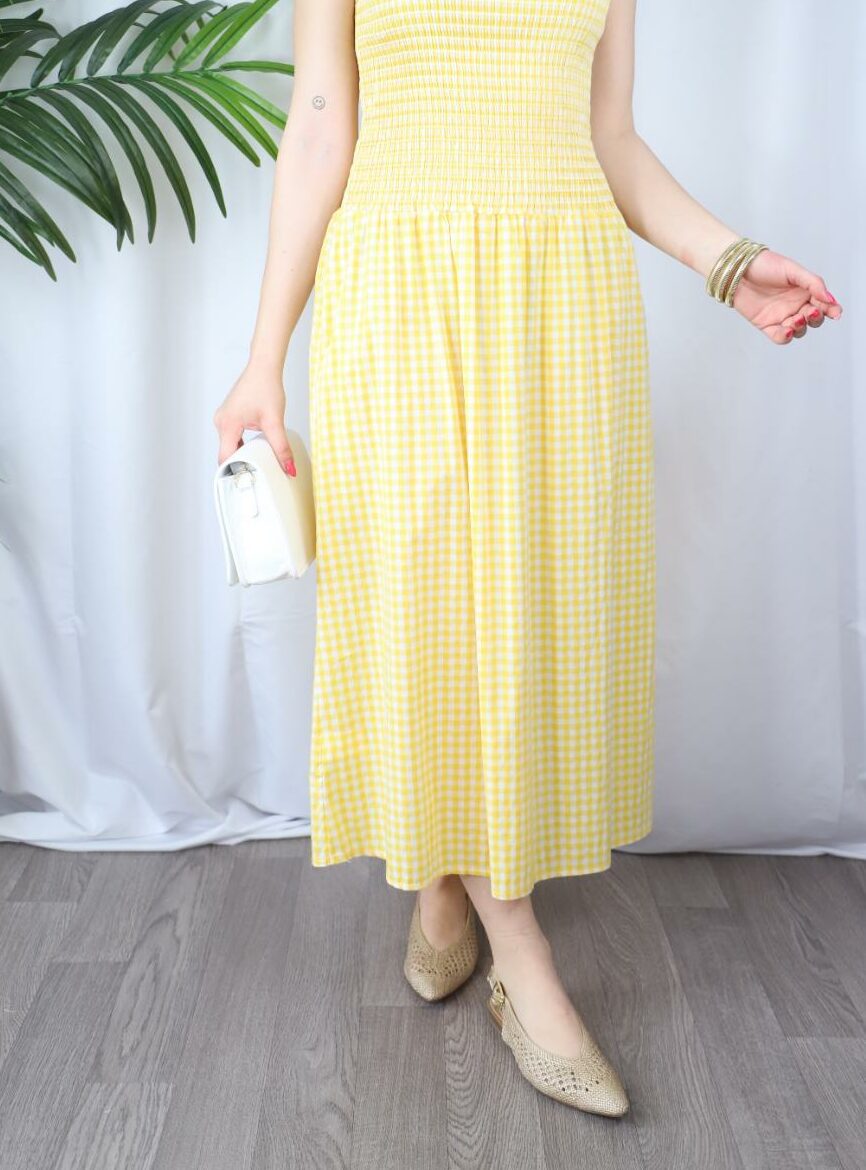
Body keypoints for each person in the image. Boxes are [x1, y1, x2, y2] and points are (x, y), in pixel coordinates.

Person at [213, 0, 843, 1118]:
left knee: (527, 613)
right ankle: (523, 953)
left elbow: (611, 140)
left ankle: (441, 873)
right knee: (423, 605)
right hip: (398, 286)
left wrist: (728, 263)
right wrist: (262, 357)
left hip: (562, 298)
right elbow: (317, 122)